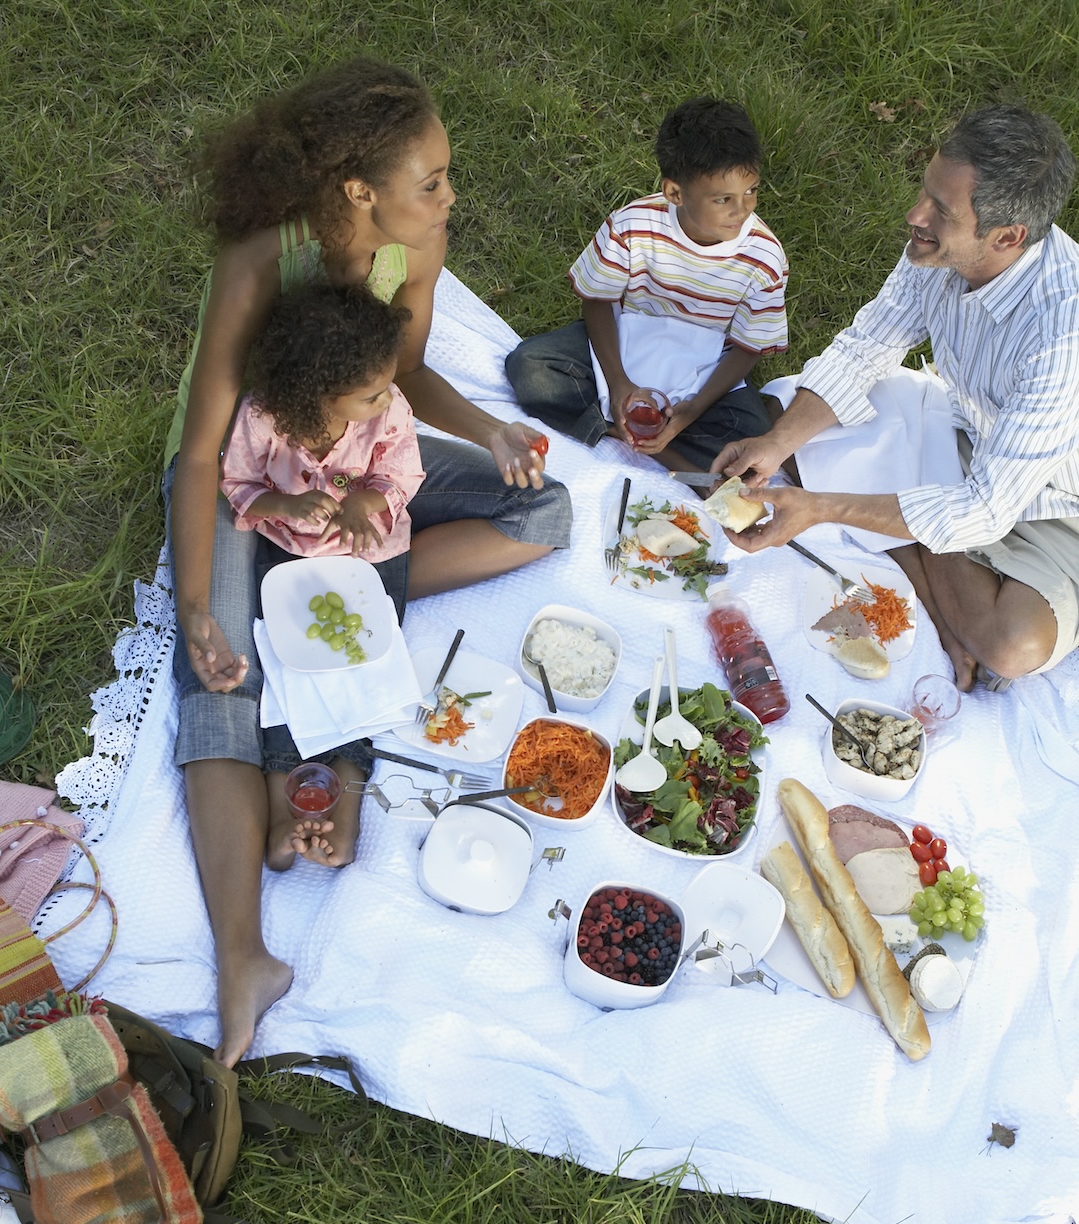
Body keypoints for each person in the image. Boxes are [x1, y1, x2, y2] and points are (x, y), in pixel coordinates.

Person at [167, 59, 571, 1065]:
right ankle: (239, 956)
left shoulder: (419, 242)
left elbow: (411, 375)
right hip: (247, 478)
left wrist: (491, 430)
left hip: (362, 467)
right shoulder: (262, 262)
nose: (447, 198)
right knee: (218, 688)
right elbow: (208, 452)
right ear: (357, 190)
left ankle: (332, 584)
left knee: (546, 508)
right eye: (428, 180)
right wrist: (195, 605)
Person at [714, 105, 1079, 691]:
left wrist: (821, 506)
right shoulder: (941, 247)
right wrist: (775, 444)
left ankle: (917, 559)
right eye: (926, 192)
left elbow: (987, 509)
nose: (915, 216)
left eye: (941, 211)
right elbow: (866, 348)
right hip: (966, 432)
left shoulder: (1072, 341)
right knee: (777, 426)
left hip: (1063, 508)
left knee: (1010, 644)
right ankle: (930, 578)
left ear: (1007, 237)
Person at [220, 283, 423, 870]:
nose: (386, 399)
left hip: (371, 553)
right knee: (289, 674)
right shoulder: (263, 419)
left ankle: (348, 809)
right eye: (369, 394)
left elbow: (402, 472)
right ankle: (285, 809)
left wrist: (369, 499)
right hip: (290, 557)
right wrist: (283, 507)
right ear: (315, 396)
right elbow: (238, 485)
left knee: (365, 668)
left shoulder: (389, 412)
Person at [504, 97, 787, 472]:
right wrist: (619, 384)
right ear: (675, 193)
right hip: (624, 341)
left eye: (751, 191)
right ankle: (639, 440)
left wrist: (692, 410)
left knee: (752, 432)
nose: (743, 209)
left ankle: (643, 434)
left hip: (704, 367)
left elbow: (748, 348)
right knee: (530, 367)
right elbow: (598, 301)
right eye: (724, 199)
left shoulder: (764, 257)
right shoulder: (632, 226)